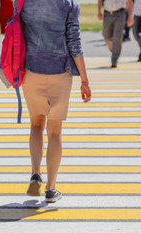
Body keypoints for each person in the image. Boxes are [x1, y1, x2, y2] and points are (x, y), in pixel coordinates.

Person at [19, 0, 91, 203]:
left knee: (35, 125)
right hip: (60, 72)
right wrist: (84, 80)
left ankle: (35, 173)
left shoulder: (24, 2)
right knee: (55, 131)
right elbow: (74, 43)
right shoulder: (69, 4)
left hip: (31, 71)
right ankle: (51, 188)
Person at [98, 0, 134, 68]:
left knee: (117, 37)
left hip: (120, 14)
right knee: (106, 36)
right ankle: (115, 51)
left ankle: (114, 59)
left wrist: (130, 17)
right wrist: (99, 12)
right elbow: (100, 0)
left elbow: (129, 2)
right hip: (107, 14)